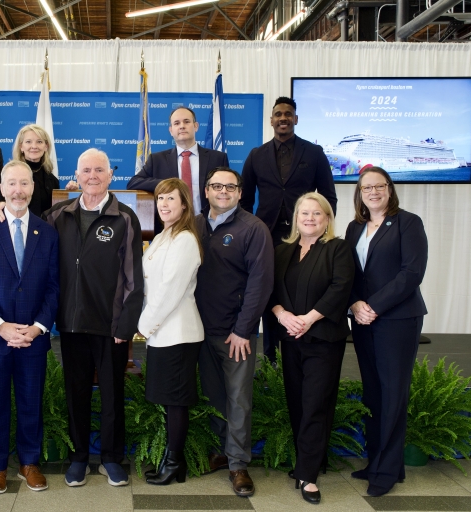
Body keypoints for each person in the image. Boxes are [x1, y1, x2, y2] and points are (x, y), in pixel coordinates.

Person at [44, 148, 143, 488]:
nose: (92, 176)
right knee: (77, 393)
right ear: (76, 175)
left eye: (99, 170)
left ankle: (112, 458)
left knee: (113, 394)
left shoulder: (125, 218)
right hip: (71, 324)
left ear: (110, 174)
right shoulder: (56, 215)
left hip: (111, 326)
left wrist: (125, 326)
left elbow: (134, 279)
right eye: (86, 170)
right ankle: (79, 459)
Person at [0, 160, 60, 494]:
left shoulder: (47, 232)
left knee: (31, 401)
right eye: (12, 184)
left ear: (33, 188)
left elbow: (53, 287)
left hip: (32, 337)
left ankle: (29, 463)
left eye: (24, 183)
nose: (18, 190)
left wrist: (37, 327)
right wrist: (0, 326)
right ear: (1, 188)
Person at [345, 167, 428, 498]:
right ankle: (378, 459)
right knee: (374, 394)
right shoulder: (354, 228)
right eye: (367, 187)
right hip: (362, 320)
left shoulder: (408, 223)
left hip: (397, 319)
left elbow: (411, 274)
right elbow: (347, 273)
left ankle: (387, 470)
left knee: (393, 393)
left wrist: (372, 306)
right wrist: (354, 304)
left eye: (380, 186)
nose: (374, 192)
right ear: (360, 194)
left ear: (390, 190)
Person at [269, 192, 354, 505]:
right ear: (296, 218)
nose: (309, 219)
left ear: (327, 219)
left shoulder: (338, 248)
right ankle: (308, 461)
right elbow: (270, 291)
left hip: (323, 339)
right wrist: (282, 314)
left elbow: (340, 288)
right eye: (304, 213)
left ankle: (308, 475)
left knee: (316, 402)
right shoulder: (282, 251)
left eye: (316, 214)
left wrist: (309, 318)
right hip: (291, 338)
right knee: (297, 403)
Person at [240, 96, 338, 363]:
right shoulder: (256, 155)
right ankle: (270, 359)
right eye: (278, 114)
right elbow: (245, 200)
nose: (283, 117)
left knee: (302, 291)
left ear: (295, 119)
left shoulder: (314, 153)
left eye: (288, 114)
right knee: (269, 292)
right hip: (267, 237)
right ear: (271, 120)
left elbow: (329, 196)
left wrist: (323, 233)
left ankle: (299, 354)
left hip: (306, 237)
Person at [195, 167, 273, 498]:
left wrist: (243, 329)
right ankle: (220, 452)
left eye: (230, 186)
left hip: (234, 334)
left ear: (240, 192)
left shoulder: (253, 229)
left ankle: (239, 464)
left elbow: (260, 282)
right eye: (216, 186)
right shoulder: (195, 224)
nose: (223, 191)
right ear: (206, 190)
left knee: (238, 399)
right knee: (214, 396)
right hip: (199, 329)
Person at [137, 178, 204, 486]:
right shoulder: (165, 235)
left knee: (176, 402)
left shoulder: (185, 240)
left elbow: (168, 291)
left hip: (178, 333)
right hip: (163, 333)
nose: (163, 204)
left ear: (184, 204)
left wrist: (142, 326)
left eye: (170, 199)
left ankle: (175, 463)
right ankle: (172, 461)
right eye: (160, 199)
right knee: (168, 400)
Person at [127, 106, 229, 231]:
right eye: (176, 123)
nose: (182, 126)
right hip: (171, 228)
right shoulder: (157, 159)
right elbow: (133, 183)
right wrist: (168, 184)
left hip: (209, 227)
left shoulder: (217, 158)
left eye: (186, 122)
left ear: (196, 126)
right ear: (171, 130)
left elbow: (228, 190)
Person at [0, 124, 61, 221]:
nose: (34, 146)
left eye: (39, 142)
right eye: (28, 142)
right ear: (21, 146)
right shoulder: (8, 174)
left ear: (46, 146)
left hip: (43, 232)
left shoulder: (52, 180)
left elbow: (55, 212)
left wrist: (69, 192)